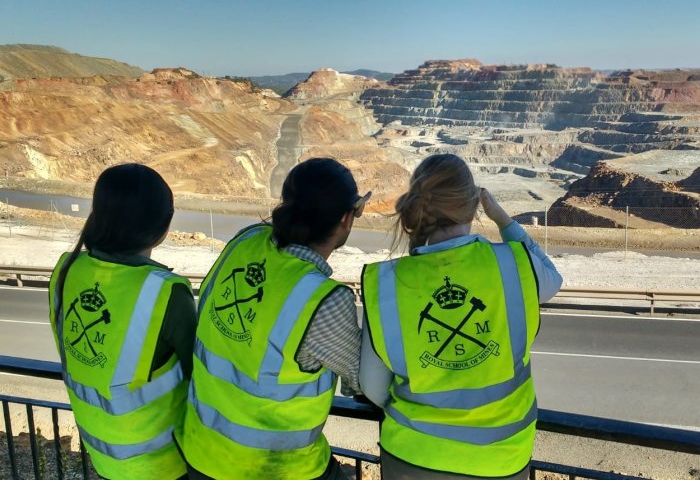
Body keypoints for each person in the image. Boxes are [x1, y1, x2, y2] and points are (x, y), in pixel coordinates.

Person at [359, 153, 563, 479]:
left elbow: (373, 387)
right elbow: (553, 278)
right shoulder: (513, 265)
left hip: (412, 458)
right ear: (473, 206)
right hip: (503, 459)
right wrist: (503, 220)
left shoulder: (386, 283)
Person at [175, 157, 370, 479]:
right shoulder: (323, 300)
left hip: (201, 452)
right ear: (347, 219)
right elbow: (364, 381)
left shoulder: (244, 241)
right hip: (274, 468)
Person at [48, 163, 196, 480]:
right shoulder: (166, 293)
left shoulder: (66, 270)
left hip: (103, 455)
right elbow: (203, 377)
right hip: (165, 464)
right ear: (163, 226)